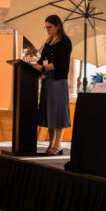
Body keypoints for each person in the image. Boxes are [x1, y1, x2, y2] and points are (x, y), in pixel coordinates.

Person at [32, 14, 72, 155]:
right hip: (47, 81)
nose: (47, 30)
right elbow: (42, 60)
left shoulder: (65, 42)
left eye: (49, 27)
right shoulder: (48, 43)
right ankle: (51, 143)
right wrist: (33, 64)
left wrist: (42, 67)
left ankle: (58, 144)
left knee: (58, 112)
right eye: (46, 27)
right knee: (50, 113)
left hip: (58, 81)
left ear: (58, 26)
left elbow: (60, 64)